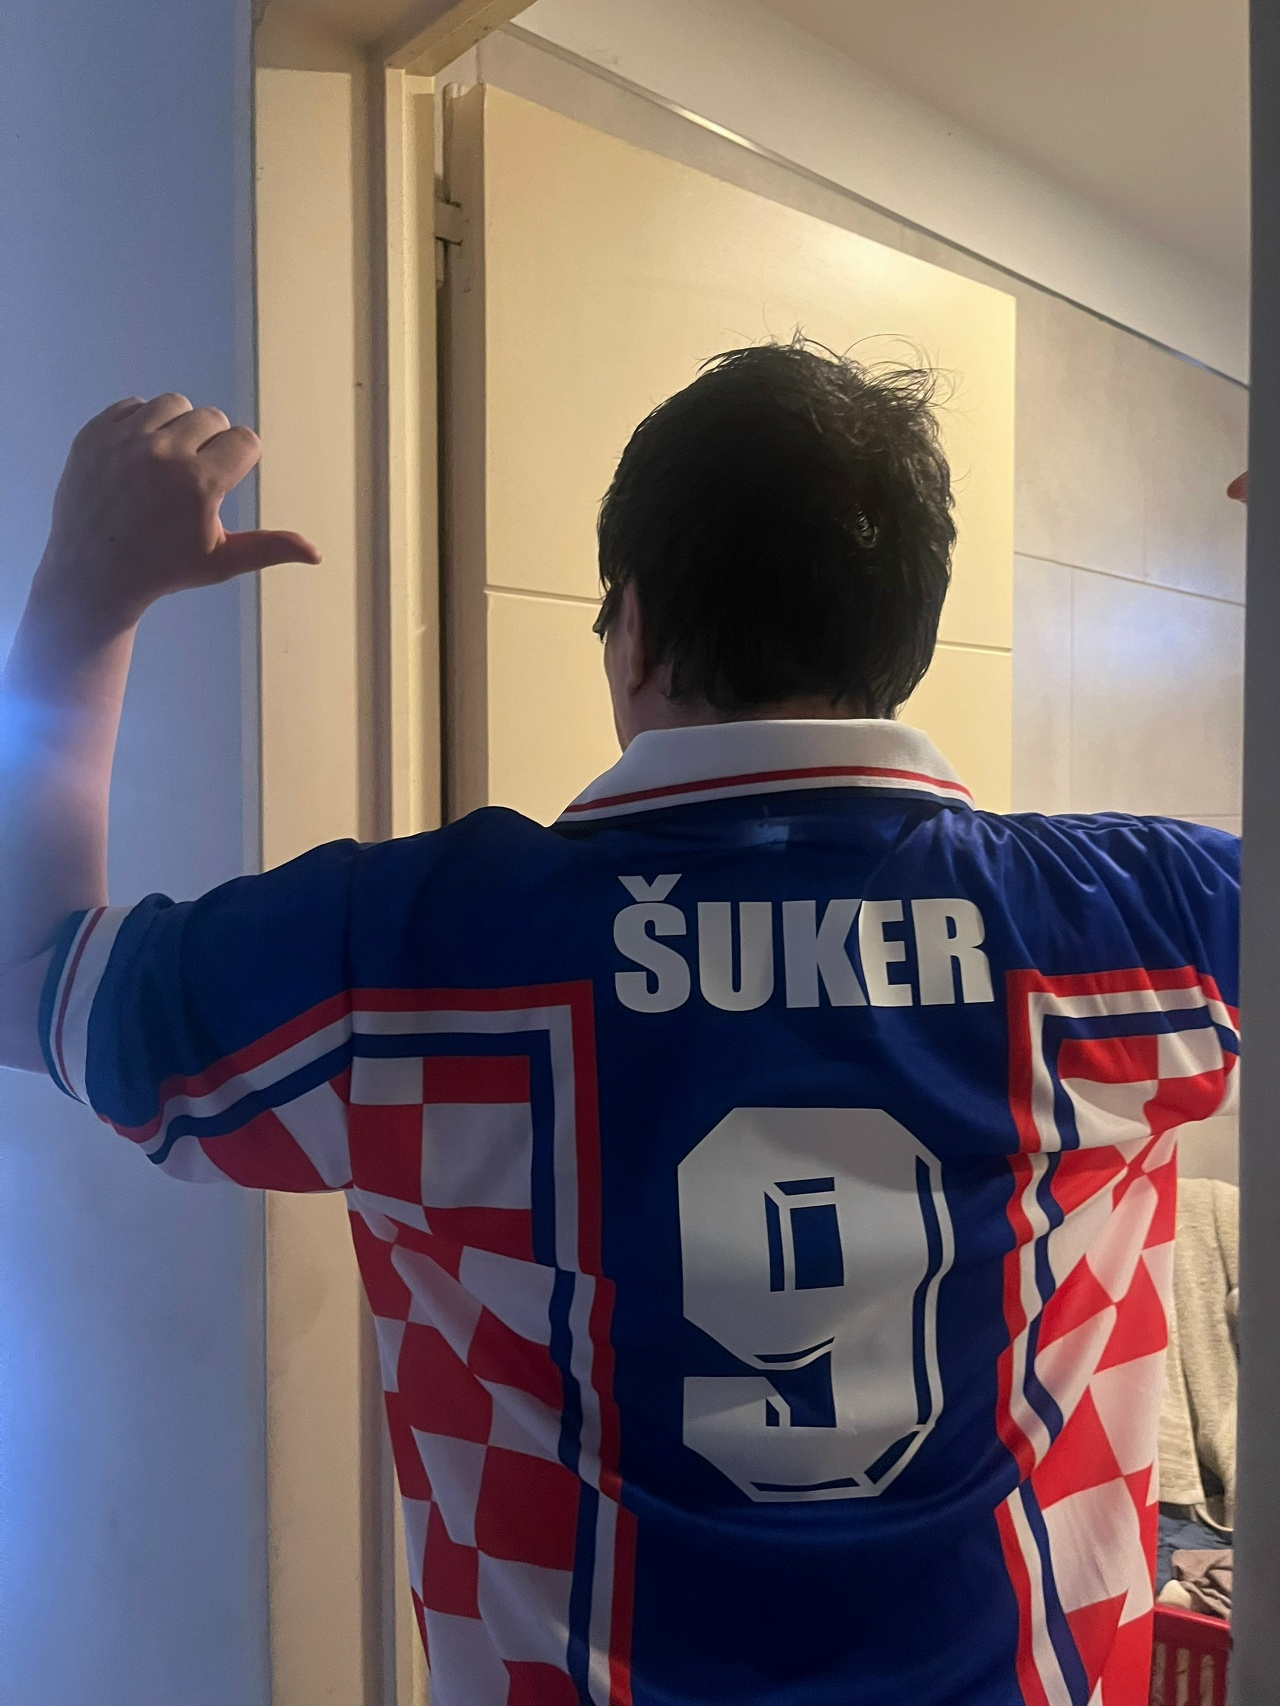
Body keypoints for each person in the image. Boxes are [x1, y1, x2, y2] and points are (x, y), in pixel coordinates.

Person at [0, 346, 1240, 1706]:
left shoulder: (416, 954)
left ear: (633, 628)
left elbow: (24, 974)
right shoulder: (1145, 920)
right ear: (907, 638)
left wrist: (84, 597)